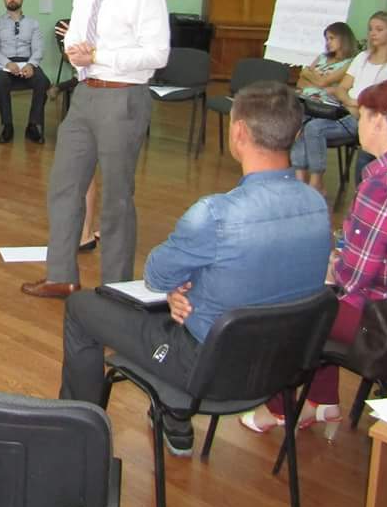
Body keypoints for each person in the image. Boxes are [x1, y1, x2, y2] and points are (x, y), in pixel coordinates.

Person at [59, 82, 330, 455]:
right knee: (200, 293)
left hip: (207, 368)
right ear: (297, 135)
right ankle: (174, 421)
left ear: (238, 133)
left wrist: (181, 285)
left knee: (82, 307)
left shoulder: (215, 214)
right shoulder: (317, 205)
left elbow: (157, 275)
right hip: (282, 367)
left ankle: (76, 431)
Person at [242, 79, 387, 432]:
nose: (359, 123)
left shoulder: (386, 182)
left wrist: (329, 264)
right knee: (320, 294)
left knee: (289, 306)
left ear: (378, 120)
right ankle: (322, 402)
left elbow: (352, 278)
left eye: (362, 115)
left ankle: (281, 409)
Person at [23, 0, 170, 298]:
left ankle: (116, 289)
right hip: (85, 93)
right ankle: (61, 276)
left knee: (117, 197)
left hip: (124, 96)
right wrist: (74, 50)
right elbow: (75, 33)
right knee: (64, 185)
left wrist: (100, 55)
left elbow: (157, 54)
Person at [291, 11, 387, 195]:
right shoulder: (362, 57)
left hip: (371, 119)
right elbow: (342, 88)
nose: (373, 33)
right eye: (371, 29)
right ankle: (300, 178)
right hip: (345, 109)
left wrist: (358, 106)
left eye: (379, 29)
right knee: (301, 122)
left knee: (315, 128)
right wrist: (350, 102)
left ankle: (316, 183)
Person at [0, 0, 50, 145]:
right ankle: (7, 126)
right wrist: (7, 63)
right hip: (4, 63)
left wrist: (31, 65)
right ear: (4, 0)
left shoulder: (33, 23)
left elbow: (38, 49)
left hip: (27, 62)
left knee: (42, 81)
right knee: (0, 81)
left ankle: (33, 125)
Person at [297, 22, 357, 105]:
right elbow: (301, 79)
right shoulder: (322, 56)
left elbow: (323, 82)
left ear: (343, 38)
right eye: (327, 39)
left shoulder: (349, 63)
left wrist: (309, 75)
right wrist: (317, 81)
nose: (328, 42)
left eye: (332, 38)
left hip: (324, 104)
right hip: (303, 97)